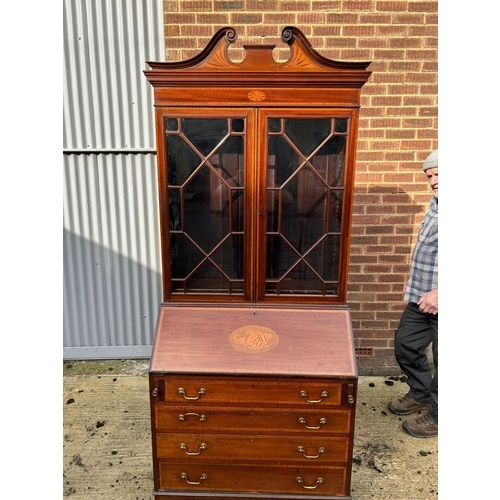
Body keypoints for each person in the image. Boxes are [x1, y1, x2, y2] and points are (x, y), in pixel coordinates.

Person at [388, 149, 438, 438]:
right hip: (421, 298)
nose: (433, 180)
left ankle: (439, 416)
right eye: (429, 175)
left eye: (438, 173)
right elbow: (427, 253)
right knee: (404, 344)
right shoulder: (436, 206)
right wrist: (413, 281)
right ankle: (420, 391)